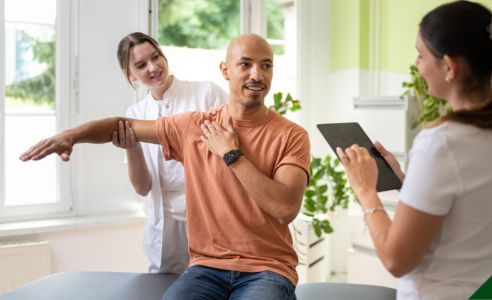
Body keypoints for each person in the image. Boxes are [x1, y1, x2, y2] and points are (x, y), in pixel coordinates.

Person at [20, 33, 309, 300]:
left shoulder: (292, 135)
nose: (256, 75)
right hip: (207, 267)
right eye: (245, 64)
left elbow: (285, 209)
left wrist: (232, 154)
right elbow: (120, 126)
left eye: (266, 66)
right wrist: (70, 136)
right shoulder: (194, 126)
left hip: (267, 269)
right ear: (225, 71)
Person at [336, 1, 492, 299]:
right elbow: (467, 211)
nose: (417, 64)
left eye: (421, 54)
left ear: (449, 66)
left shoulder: (442, 142)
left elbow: (395, 259)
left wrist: (365, 190)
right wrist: (407, 181)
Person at [114, 32, 228, 275]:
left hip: (212, 221)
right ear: (130, 74)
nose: (154, 67)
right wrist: (132, 148)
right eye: (141, 65)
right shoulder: (135, 114)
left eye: (156, 57)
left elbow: (236, 148)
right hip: (165, 232)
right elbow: (142, 187)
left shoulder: (207, 94)